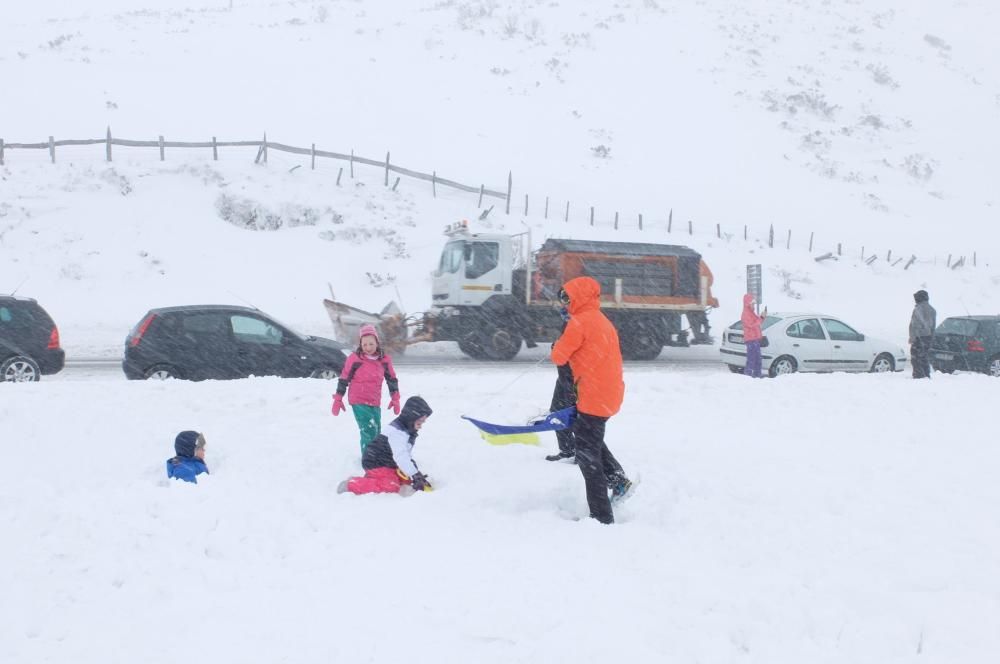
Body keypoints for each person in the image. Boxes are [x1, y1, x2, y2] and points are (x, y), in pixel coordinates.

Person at [551, 277, 630, 524]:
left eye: (567, 298)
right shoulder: (602, 320)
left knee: (587, 456)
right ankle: (618, 479)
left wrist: (556, 345)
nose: (565, 304)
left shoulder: (579, 322)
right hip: (608, 393)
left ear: (578, 297)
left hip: (593, 396)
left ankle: (601, 516)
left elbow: (558, 355)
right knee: (590, 439)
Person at [337, 396, 434, 495]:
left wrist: (415, 473)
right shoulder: (398, 432)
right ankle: (351, 484)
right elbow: (400, 456)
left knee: (406, 480)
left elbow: (406, 454)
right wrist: (415, 474)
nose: (421, 425)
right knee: (391, 486)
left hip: (389, 462)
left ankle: (375, 478)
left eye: (423, 422)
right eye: (419, 422)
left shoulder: (407, 430)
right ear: (411, 417)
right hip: (376, 462)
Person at [331, 324, 400, 453]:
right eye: (364, 344)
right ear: (360, 344)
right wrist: (338, 398)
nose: (368, 348)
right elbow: (344, 378)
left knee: (376, 430)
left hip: (374, 400)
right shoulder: (355, 359)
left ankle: (375, 456)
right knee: (368, 429)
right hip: (358, 399)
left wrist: (395, 398)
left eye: (371, 344)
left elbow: (391, 379)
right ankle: (368, 459)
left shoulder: (384, 360)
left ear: (377, 342)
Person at [545, 305, 577, 462]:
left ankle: (583, 453)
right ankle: (567, 449)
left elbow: (574, 347)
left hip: (575, 377)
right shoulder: (569, 323)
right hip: (564, 375)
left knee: (575, 415)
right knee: (557, 411)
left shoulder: (579, 323)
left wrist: (558, 348)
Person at [909, 289, 936, 379]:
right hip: (928, 337)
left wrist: (912, 338)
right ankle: (926, 374)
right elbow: (933, 326)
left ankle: (918, 375)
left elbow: (914, 325)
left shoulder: (918, 309)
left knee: (916, 358)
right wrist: (931, 337)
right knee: (924, 357)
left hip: (918, 338)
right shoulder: (932, 310)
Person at [741, 293, 767, 378]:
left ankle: (757, 376)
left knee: (757, 360)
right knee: (752, 360)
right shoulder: (746, 313)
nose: (754, 305)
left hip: (755, 339)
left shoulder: (751, 313)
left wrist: (762, 317)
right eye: (752, 304)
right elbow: (752, 325)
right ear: (747, 303)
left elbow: (757, 322)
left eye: (754, 304)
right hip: (751, 340)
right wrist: (761, 318)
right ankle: (748, 377)